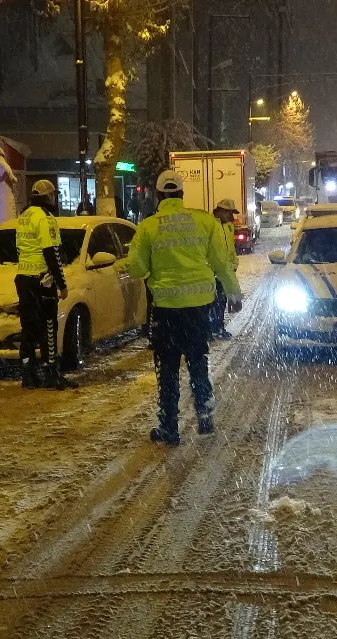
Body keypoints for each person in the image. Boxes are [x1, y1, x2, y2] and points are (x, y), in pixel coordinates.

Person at [129, 170, 243, 445]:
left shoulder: (148, 227)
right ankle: (205, 415)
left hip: (166, 311)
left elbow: (136, 267)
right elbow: (220, 262)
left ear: (158, 195)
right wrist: (233, 294)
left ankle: (170, 427)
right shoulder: (204, 222)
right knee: (197, 361)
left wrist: (153, 271)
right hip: (197, 309)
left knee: (167, 369)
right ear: (182, 194)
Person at [15, 180, 77, 391]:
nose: (56, 199)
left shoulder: (24, 216)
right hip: (42, 280)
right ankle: (52, 372)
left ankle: (28, 374)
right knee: (49, 325)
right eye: (55, 195)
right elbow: (51, 253)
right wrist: (61, 284)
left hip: (23, 278)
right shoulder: (45, 219)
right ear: (48, 196)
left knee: (28, 327)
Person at [208, 199, 241, 340]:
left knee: (221, 301)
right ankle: (210, 330)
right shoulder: (209, 225)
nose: (231, 217)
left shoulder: (228, 227)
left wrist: (234, 264)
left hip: (225, 271)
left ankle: (219, 327)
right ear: (221, 211)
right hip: (211, 271)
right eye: (229, 213)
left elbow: (231, 249)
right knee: (210, 302)